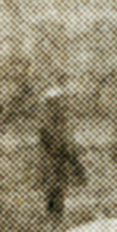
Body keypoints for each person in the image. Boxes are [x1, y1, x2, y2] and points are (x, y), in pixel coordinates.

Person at [35, 87, 86, 219]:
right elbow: (50, 138)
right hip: (53, 156)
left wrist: (74, 150)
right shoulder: (47, 120)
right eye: (55, 103)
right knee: (54, 184)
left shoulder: (62, 120)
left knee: (60, 184)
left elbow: (68, 137)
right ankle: (53, 211)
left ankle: (56, 211)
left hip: (61, 156)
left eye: (60, 102)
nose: (59, 106)